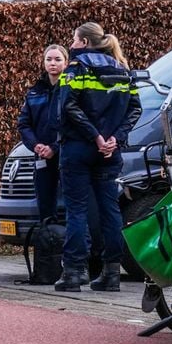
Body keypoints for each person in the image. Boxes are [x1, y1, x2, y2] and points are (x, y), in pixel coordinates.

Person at [54, 22, 141, 293]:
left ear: (83, 42)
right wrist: (115, 137)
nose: (71, 43)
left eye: (73, 39)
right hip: (110, 150)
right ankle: (111, 273)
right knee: (110, 211)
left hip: (79, 147)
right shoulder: (122, 69)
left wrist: (94, 136)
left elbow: (68, 107)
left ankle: (73, 273)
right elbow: (135, 108)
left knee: (76, 210)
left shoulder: (76, 68)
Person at [17, 44, 69, 222]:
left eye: (57, 59)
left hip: (65, 153)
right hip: (41, 156)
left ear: (66, 63)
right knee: (45, 204)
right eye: (49, 59)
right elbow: (24, 124)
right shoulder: (34, 92)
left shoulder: (70, 89)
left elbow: (73, 123)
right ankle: (49, 241)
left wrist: (55, 147)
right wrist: (36, 145)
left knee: (72, 202)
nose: (52, 63)